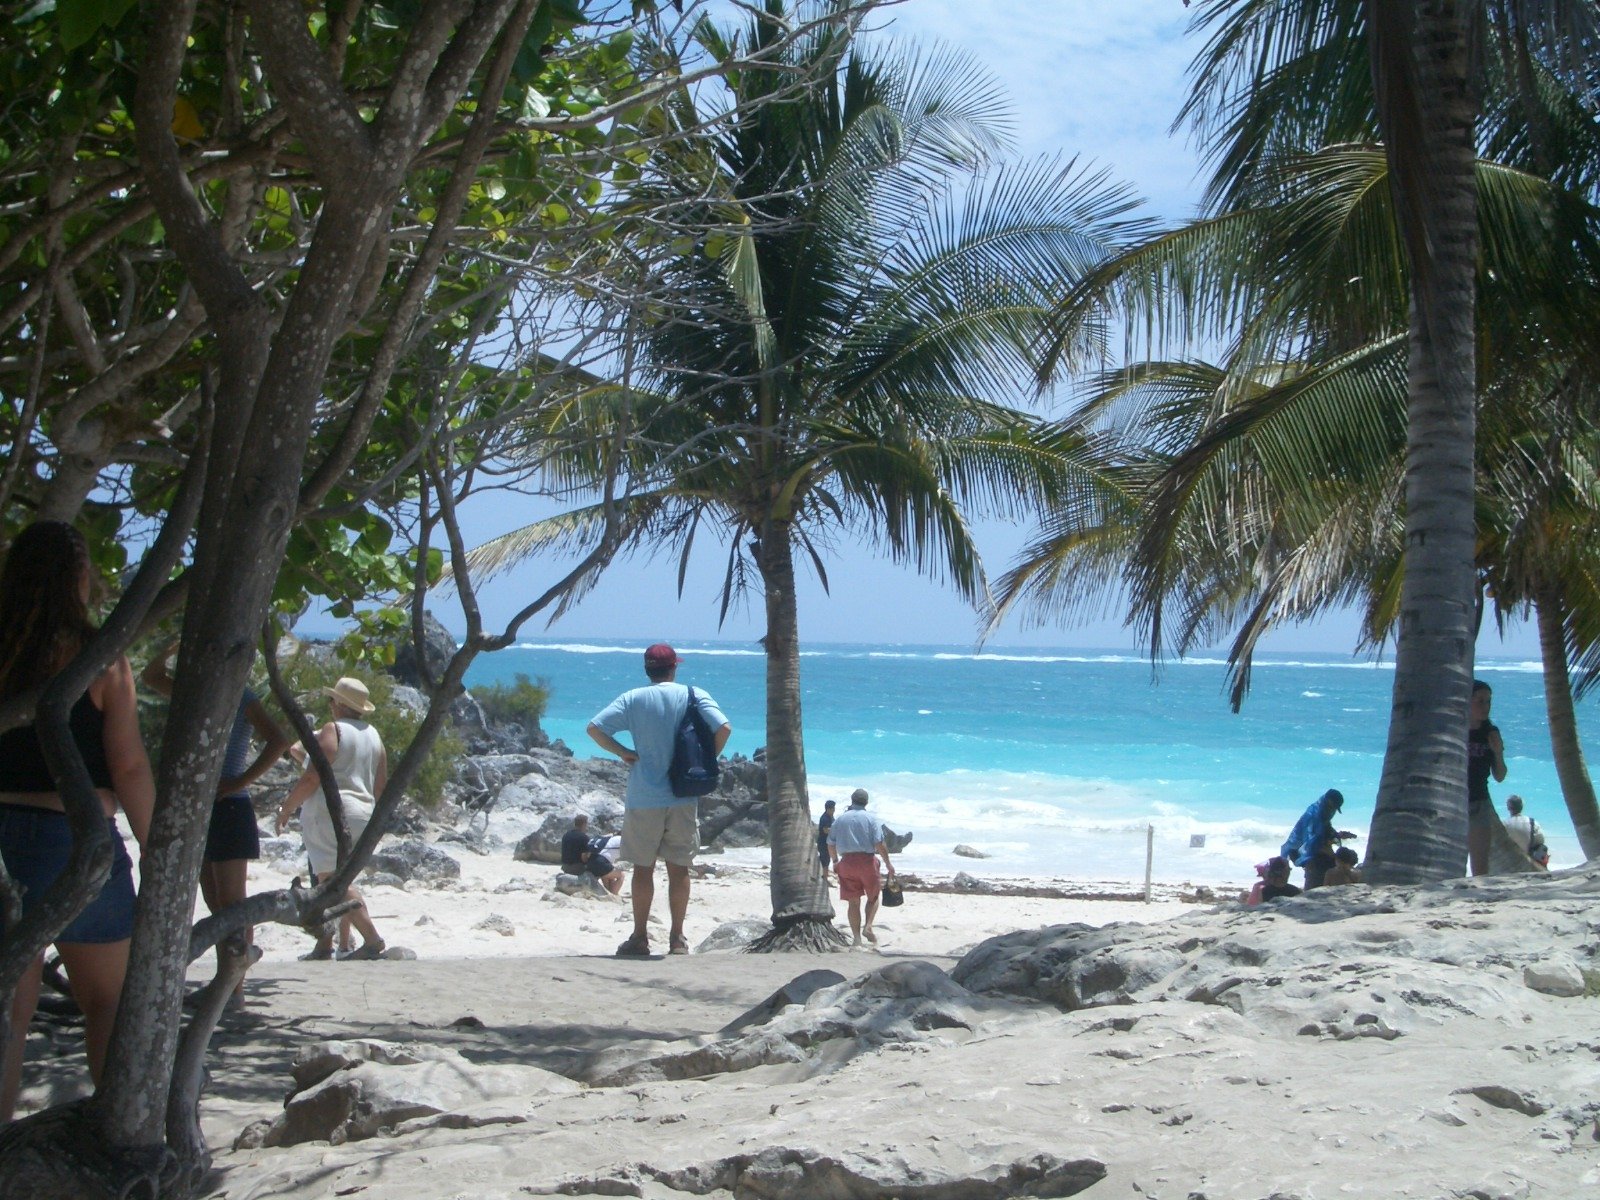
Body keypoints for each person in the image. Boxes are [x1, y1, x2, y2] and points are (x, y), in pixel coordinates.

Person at [0, 521, 155, 1122]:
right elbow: (130, 767)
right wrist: (160, 849)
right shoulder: (101, 658)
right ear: (79, 579)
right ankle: (120, 1138)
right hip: (75, 840)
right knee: (106, 1001)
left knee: (10, 1009)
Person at [142, 644, 291, 1005]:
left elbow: (278, 740)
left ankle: (234, 988)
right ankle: (227, 982)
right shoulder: (192, 691)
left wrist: (239, 782)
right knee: (214, 900)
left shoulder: (242, 696)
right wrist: (176, 645)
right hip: (199, 809)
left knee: (232, 902)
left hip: (229, 807)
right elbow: (150, 676)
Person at [587, 643, 730, 957]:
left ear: (647, 669)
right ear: (674, 668)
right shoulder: (693, 694)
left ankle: (639, 937)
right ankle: (677, 938)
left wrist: (623, 752)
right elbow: (724, 727)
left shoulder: (633, 698)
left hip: (643, 795)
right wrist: (707, 760)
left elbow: (594, 729)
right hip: (682, 794)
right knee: (679, 869)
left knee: (643, 869)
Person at [276, 677, 389, 960]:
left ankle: (372, 939)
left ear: (338, 704)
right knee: (342, 879)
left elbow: (314, 774)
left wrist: (288, 808)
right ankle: (332, 943)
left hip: (331, 810)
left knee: (331, 882)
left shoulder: (333, 729)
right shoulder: (374, 735)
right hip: (364, 811)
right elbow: (380, 786)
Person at [828, 788, 895, 947]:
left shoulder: (840, 820)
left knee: (853, 902)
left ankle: (857, 939)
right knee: (873, 897)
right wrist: (888, 864)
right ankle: (868, 926)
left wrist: (835, 861)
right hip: (866, 861)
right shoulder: (871, 819)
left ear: (852, 800)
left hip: (847, 862)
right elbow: (879, 844)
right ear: (866, 802)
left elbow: (830, 843)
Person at [1467, 679, 1507, 877]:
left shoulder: (1490, 733)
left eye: (1488, 702)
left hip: (1479, 803)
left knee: (1480, 868)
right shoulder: (1455, 731)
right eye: (1480, 701)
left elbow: (1499, 776)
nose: (1485, 707)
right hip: (1451, 804)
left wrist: (1498, 752)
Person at [1281, 788, 1356, 890]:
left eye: (1334, 809)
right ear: (1327, 803)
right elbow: (1313, 844)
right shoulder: (1315, 817)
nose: (1332, 811)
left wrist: (1338, 835)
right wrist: (1336, 858)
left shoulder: (1323, 817)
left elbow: (1326, 835)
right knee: (1315, 889)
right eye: (1332, 807)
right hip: (1313, 860)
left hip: (1317, 859)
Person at [559, 813, 624, 895]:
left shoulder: (566, 835)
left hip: (565, 867)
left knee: (606, 872)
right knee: (604, 871)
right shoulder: (583, 837)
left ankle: (608, 892)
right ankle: (613, 894)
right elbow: (584, 857)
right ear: (584, 824)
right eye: (587, 824)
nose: (587, 827)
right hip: (576, 868)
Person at [1502, 795, 1549, 869]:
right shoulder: (1532, 822)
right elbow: (1541, 840)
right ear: (1522, 807)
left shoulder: (1504, 824)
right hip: (1530, 858)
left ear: (1508, 808)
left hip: (1510, 859)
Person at [816, 799, 836, 880]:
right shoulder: (825, 818)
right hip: (823, 843)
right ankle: (824, 878)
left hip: (827, 843)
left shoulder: (830, 817)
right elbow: (825, 830)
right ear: (829, 809)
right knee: (824, 861)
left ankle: (825, 877)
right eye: (833, 808)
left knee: (826, 861)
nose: (834, 810)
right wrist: (836, 830)